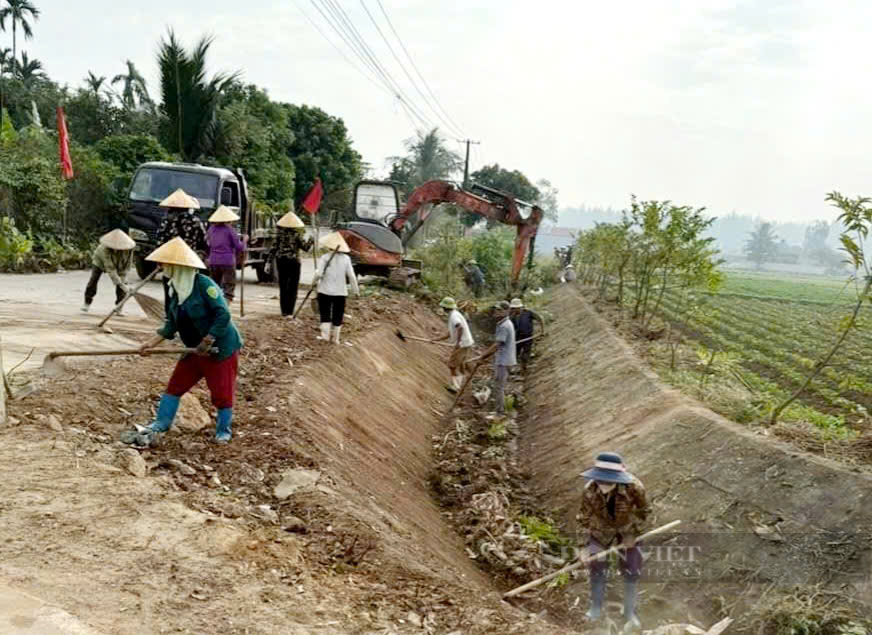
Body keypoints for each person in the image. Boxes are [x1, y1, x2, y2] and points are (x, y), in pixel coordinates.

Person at [120, 237, 243, 446]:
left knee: (222, 392)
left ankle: (223, 430)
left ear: (178, 266)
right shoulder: (173, 289)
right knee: (175, 385)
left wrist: (208, 339)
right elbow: (171, 324)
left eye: (166, 264)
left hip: (219, 348)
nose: (162, 268)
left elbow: (223, 315)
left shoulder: (205, 285)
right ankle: (161, 422)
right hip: (193, 348)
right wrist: (151, 343)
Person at [577, 452, 651, 629]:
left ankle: (629, 612)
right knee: (597, 570)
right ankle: (595, 609)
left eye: (608, 480)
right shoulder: (589, 490)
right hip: (600, 531)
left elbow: (645, 511)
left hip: (627, 529)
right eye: (600, 479)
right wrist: (583, 547)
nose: (603, 484)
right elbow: (583, 519)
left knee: (632, 571)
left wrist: (633, 534)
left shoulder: (635, 487)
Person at [314, 232, 360, 344]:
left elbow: (319, 274)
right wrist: (356, 291)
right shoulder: (346, 259)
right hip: (340, 292)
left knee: (325, 313)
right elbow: (352, 277)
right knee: (338, 314)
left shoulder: (325, 257)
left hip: (324, 291)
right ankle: (336, 339)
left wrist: (314, 283)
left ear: (329, 245)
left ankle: (325, 337)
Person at [268, 209, 313, 317]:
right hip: (294, 262)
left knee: (283, 286)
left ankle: (283, 311)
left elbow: (273, 249)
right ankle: (290, 311)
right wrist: (311, 240)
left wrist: (268, 263)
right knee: (293, 287)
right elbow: (306, 248)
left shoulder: (279, 235)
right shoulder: (297, 235)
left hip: (281, 262)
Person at [82, 229, 135, 313]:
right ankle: (87, 302)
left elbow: (127, 265)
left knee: (122, 284)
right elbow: (110, 268)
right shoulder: (104, 249)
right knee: (93, 280)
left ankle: (119, 306)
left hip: (119, 264)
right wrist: (120, 284)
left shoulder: (129, 249)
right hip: (99, 262)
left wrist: (123, 282)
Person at [478, 300, 516, 417]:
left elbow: (497, 344)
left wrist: (484, 355)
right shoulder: (504, 323)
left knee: (498, 387)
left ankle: (499, 413)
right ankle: (500, 410)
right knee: (499, 385)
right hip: (505, 359)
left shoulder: (504, 326)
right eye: (496, 309)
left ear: (506, 311)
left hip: (504, 361)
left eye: (500, 310)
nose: (496, 311)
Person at [206, 205, 246, 303]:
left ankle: (214, 303)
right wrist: (245, 241)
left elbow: (208, 243)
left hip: (213, 261)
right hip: (227, 261)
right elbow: (238, 246)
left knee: (214, 285)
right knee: (229, 285)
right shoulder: (230, 230)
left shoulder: (211, 229)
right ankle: (226, 304)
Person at [435, 297, 475, 393]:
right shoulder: (454, 314)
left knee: (452, 365)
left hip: (462, 344)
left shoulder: (454, 316)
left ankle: (456, 387)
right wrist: (436, 339)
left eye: (443, 307)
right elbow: (450, 333)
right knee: (461, 365)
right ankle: (460, 385)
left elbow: (460, 328)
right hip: (466, 343)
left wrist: (458, 342)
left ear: (445, 307)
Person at [156, 188, 208, 259]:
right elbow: (204, 241)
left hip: (168, 256)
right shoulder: (196, 221)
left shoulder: (166, 221)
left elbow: (160, 239)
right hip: (189, 258)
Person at [509, 298, 545, 372]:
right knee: (515, 352)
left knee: (526, 352)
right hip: (517, 337)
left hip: (528, 336)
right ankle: (514, 368)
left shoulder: (528, 312)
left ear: (520, 307)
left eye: (516, 308)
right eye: (513, 308)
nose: (515, 310)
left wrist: (542, 331)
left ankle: (524, 367)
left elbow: (540, 318)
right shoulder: (512, 316)